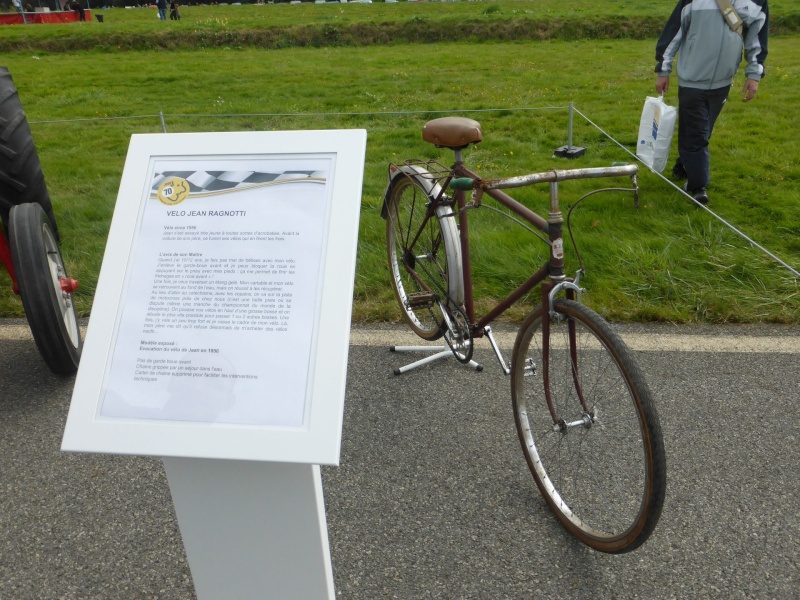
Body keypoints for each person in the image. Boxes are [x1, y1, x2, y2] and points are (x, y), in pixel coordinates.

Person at [655, 0, 768, 205]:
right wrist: (664, 69)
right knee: (697, 131)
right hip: (692, 79)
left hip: (723, 82)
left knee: (702, 129)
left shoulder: (757, 1)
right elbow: (674, 32)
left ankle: (684, 165)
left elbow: (757, 39)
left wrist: (754, 74)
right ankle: (697, 185)